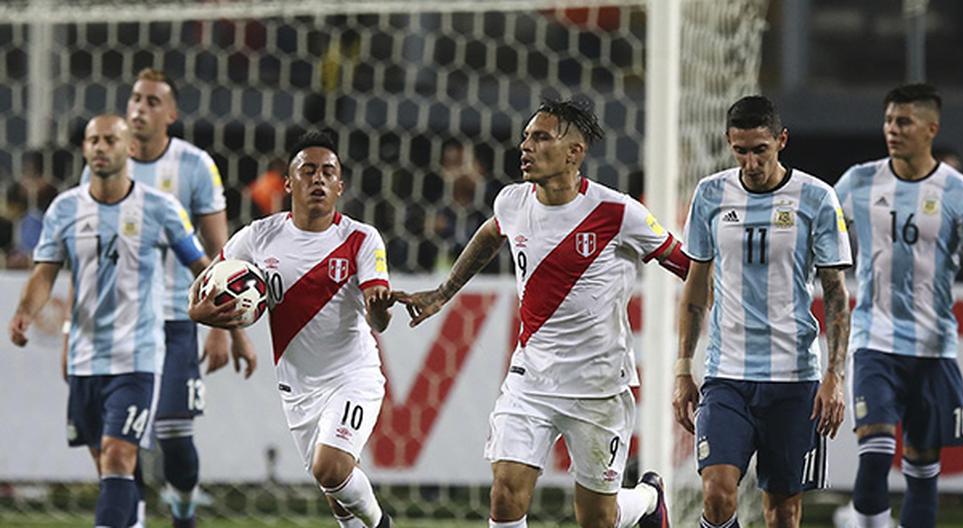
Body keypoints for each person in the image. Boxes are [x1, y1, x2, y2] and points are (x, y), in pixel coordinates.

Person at [396, 98, 686, 528]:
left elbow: (686, 265)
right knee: (505, 496)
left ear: (575, 152)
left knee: (598, 520)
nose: (525, 146)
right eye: (526, 137)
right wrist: (443, 292)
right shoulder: (513, 202)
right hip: (530, 379)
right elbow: (490, 234)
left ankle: (646, 499)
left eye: (541, 137)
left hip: (598, 386)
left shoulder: (617, 212)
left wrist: (717, 316)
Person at [70, 68, 257, 527]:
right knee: (118, 446)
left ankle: (184, 507)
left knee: (174, 435)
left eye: (153, 101)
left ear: (170, 114)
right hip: (116, 326)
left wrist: (224, 331)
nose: (139, 108)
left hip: (177, 318)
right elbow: (86, 251)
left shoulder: (194, 165)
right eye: (135, 98)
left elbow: (220, 252)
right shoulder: (104, 162)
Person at [8, 114, 210, 527]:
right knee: (109, 467)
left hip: (138, 357)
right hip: (85, 359)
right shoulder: (65, 209)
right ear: (84, 149)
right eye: (93, 140)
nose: (101, 147)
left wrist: (227, 321)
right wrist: (25, 313)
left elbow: (201, 267)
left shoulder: (160, 208)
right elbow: (45, 273)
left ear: (129, 149)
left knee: (120, 455)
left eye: (110, 140)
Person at [188, 130, 395, 528]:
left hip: (353, 376)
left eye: (328, 172)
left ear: (340, 185)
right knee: (336, 493)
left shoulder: (360, 239)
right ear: (288, 182)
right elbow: (205, 288)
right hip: (297, 388)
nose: (318, 179)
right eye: (308, 170)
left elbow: (378, 317)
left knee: (331, 468)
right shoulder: (258, 236)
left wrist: (381, 311)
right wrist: (203, 316)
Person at [672, 95, 852, 528]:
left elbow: (836, 295)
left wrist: (835, 375)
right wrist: (682, 368)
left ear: (781, 141)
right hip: (726, 373)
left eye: (760, 150)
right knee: (716, 494)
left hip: (793, 379)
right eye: (741, 150)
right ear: (729, 144)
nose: (750, 162)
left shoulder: (816, 198)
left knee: (784, 514)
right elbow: (695, 291)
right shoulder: (710, 194)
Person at [834, 84, 963, 528]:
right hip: (874, 338)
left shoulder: (960, 193)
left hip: (933, 347)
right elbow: (819, 234)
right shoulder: (859, 181)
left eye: (904, 122)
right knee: (875, 453)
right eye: (888, 121)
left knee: (921, 470)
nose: (892, 130)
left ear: (931, 128)